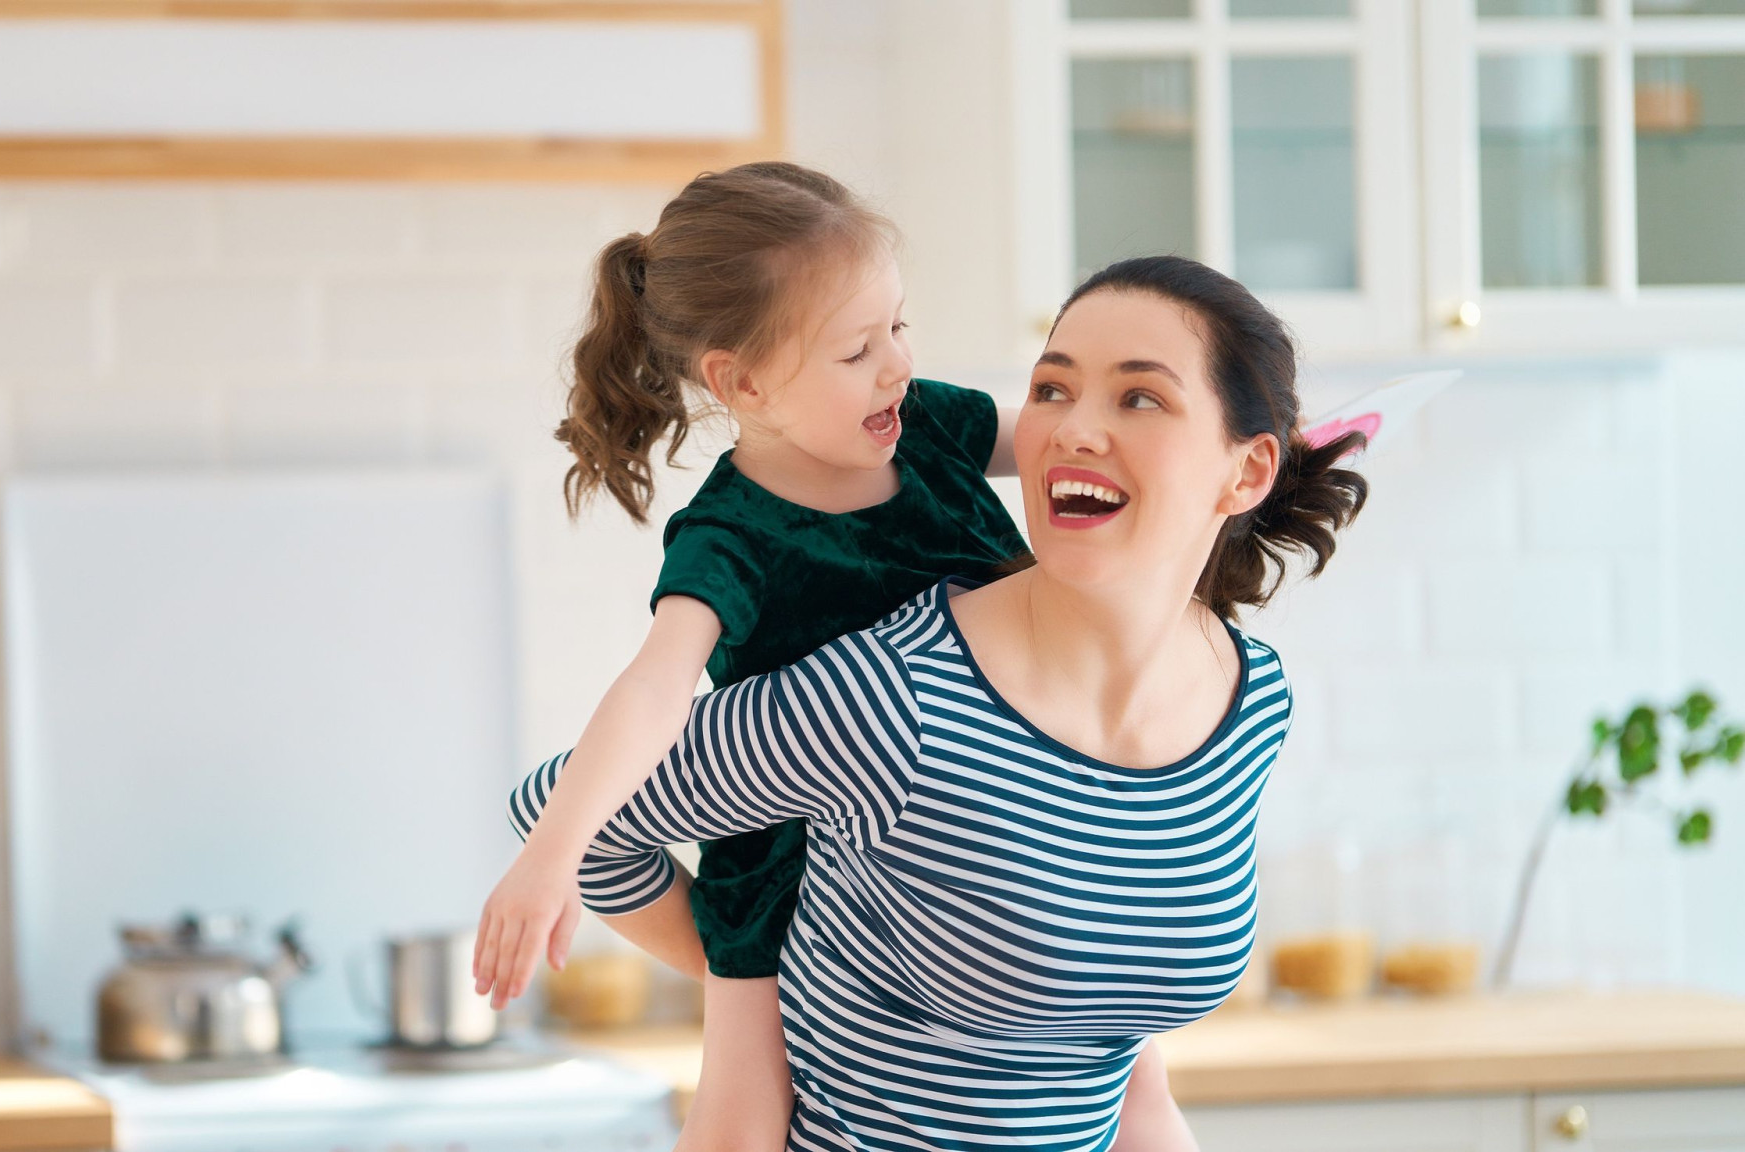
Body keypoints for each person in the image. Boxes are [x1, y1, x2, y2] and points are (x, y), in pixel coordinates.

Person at [509, 255, 1369, 1150]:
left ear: (1248, 471)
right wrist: (749, 966)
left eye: (1140, 398)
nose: (1075, 429)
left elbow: (1130, 1084)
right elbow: (570, 817)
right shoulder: (889, 700)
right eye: (1051, 390)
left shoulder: (1248, 698)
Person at [472, 160, 1031, 1150]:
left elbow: (1078, 451)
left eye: (899, 327)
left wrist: (1237, 447)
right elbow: (655, 687)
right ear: (742, 381)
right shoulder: (729, 534)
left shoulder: (934, 428)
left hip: (993, 855)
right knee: (739, 1116)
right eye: (857, 349)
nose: (897, 366)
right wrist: (550, 859)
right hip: (789, 887)